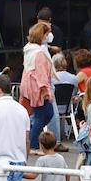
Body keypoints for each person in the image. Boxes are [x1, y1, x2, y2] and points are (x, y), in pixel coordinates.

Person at [21, 22, 55, 153]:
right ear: (42, 35)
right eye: (47, 34)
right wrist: (47, 90)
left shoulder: (29, 49)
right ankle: (33, 144)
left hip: (30, 85)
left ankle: (32, 138)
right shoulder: (39, 53)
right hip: (38, 87)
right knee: (43, 115)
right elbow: (41, 74)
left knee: (44, 114)